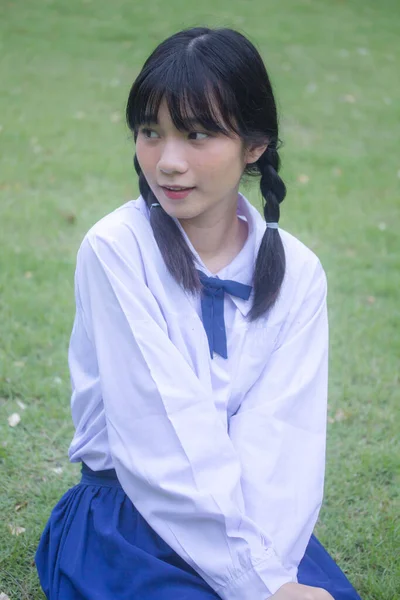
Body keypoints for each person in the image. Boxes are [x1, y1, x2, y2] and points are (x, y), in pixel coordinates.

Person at [35, 27, 362, 600]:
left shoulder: (299, 271)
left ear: (254, 146)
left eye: (198, 134)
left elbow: (282, 434)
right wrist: (260, 587)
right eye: (150, 133)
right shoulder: (116, 249)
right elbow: (158, 435)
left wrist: (272, 572)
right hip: (128, 517)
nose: (167, 162)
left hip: (251, 523)